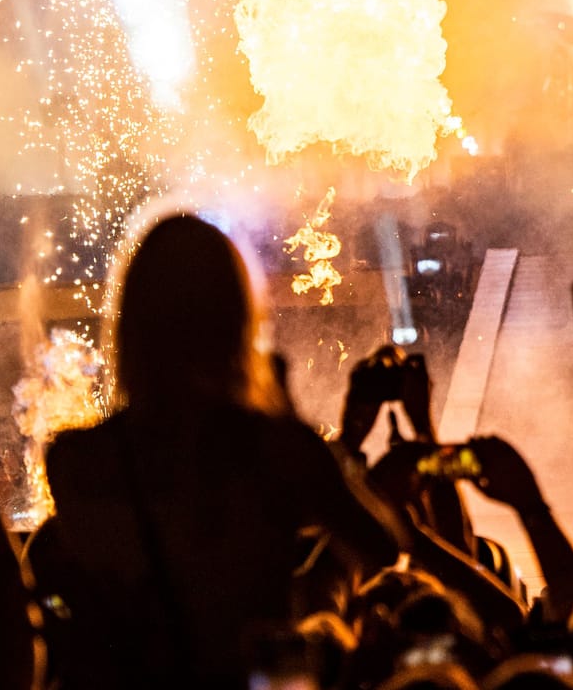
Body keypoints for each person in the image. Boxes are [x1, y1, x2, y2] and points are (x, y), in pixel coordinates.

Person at [41, 214, 405, 690]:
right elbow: (383, 547)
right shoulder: (274, 450)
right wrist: (288, 419)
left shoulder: (77, 462)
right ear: (237, 319)